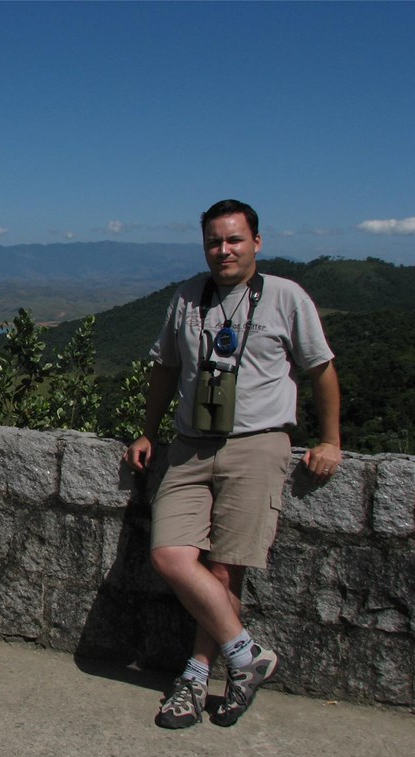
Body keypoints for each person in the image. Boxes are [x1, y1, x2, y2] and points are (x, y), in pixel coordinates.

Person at [123, 199, 342, 728]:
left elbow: (321, 369)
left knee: (223, 569)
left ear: (257, 243)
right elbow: (165, 369)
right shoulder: (188, 297)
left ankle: (196, 680)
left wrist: (330, 440)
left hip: (257, 443)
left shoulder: (286, 297)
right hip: (191, 443)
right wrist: (147, 431)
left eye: (234, 240)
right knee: (172, 556)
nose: (224, 250)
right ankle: (249, 656)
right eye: (214, 242)